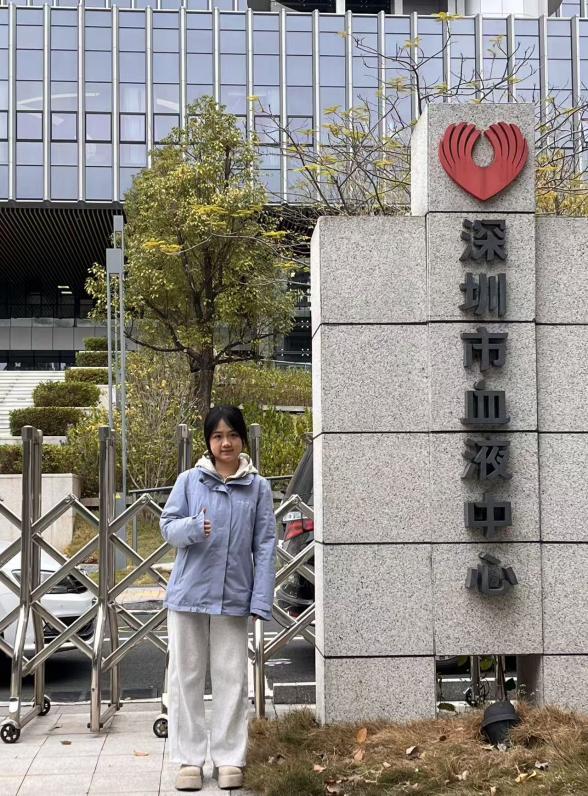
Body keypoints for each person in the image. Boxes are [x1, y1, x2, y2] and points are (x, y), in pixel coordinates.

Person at [160, 406, 276, 792]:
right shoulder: (189, 481)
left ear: (242, 439)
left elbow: (265, 544)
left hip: (233, 595)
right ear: (208, 442)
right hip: (189, 594)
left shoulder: (258, 487)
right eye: (217, 436)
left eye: (232, 435)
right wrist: (193, 527)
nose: (225, 443)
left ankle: (229, 758)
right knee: (185, 677)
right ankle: (189, 759)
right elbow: (167, 527)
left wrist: (260, 599)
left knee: (231, 678)